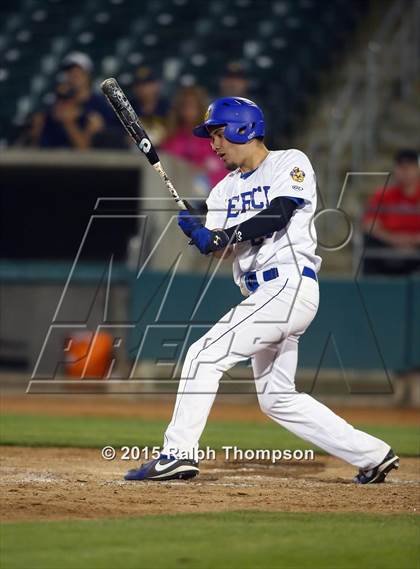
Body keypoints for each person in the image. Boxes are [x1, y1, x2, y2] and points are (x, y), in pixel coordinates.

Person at [125, 97, 399, 484]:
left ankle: (177, 454)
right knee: (277, 398)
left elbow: (280, 212)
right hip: (260, 295)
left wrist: (221, 232)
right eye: (211, 137)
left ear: (243, 128)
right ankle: (373, 455)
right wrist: (202, 236)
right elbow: (224, 251)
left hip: (289, 285)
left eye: (219, 134)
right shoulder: (222, 192)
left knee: (203, 355)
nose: (214, 144)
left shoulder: (289, 162)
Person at [362, 149, 420, 275]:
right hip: (388, 246)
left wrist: (413, 240)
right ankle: (370, 287)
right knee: (369, 241)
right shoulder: (383, 194)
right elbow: (369, 225)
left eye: (409, 167)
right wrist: (394, 239)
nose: (405, 172)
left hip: (416, 246)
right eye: (401, 167)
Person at [161, 86, 226, 189]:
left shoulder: (212, 136)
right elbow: (167, 165)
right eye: (185, 106)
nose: (188, 110)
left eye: (192, 106)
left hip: (210, 191)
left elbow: (220, 166)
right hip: (177, 187)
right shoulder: (172, 137)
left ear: (200, 108)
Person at [26, 80, 104, 149]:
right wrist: (35, 133)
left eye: (66, 100)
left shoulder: (87, 119)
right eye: (60, 99)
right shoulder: (45, 119)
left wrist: (68, 123)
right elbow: (31, 153)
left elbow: (84, 150)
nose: (62, 104)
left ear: (74, 101)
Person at [131, 66, 170, 147]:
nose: (143, 88)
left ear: (156, 85)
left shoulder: (167, 108)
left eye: (147, 84)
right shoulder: (127, 107)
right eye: (139, 84)